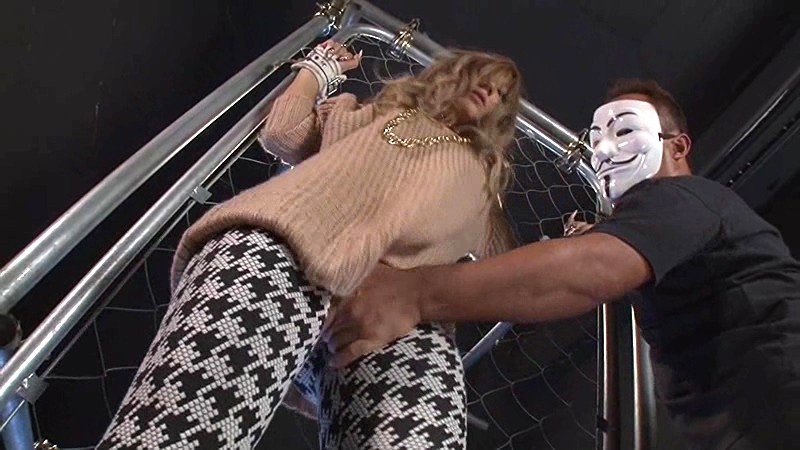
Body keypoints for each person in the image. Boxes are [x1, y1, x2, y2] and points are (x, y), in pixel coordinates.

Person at [325, 79, 800, 449]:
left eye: (625, 131)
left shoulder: (683, 196)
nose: (604, 151)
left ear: (677, 147)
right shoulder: (676, 223)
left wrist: (414, 292)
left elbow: (588, 271)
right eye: (595, 139)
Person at [97, 40, 522, 450]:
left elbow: (507, 276)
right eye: (484, 77)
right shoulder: (371, 114)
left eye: (502, 94)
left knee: (423, 414)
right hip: (285, 249)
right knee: (181, 429)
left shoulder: (484, 184)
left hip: (387, 323)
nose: (491, 91)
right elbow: (282, 133)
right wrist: (318, 69)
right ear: (453, 74)